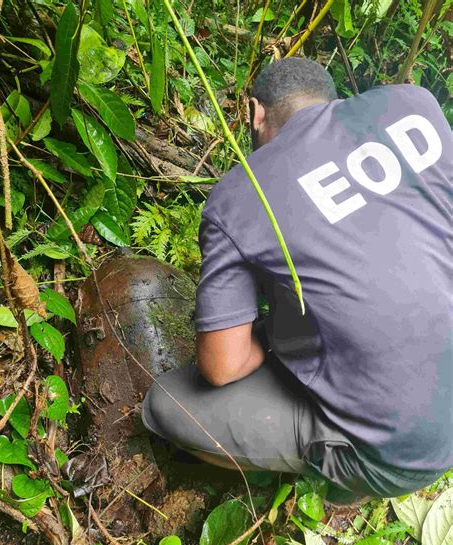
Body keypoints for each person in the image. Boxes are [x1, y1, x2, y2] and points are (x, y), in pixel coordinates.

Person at [141, 57, 452, 504]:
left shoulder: (239, 195)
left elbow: (221, 367)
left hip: (403, 452)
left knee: (165, 406)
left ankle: (349, 483)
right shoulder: (414, 106)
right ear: (333, 98)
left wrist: (270, 343)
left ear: (255, 113)